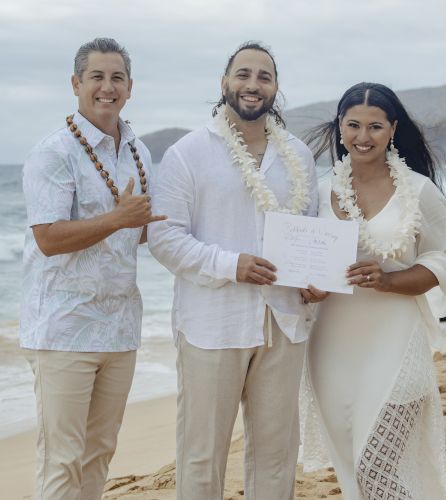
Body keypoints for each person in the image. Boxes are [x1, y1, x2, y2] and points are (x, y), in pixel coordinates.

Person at [148, 41, 319, 499]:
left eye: (264, 76)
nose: (253, 84)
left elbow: (313, 232)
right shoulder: (187, 154)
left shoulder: (298, 157)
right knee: (202, 455)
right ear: (224, 83)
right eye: (243, 74)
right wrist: (231, 264)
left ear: (276, 88)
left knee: (278, 452)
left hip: (283, 321)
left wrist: (317, 279)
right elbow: (164, 240)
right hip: (212, 324)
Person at [299, 82, 446, 499]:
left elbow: (445, 261)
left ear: (392, 129)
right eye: (353, 125)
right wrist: (309, 289)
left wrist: (389, 280)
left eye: (374, 126)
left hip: (395, 339)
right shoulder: (319, 194)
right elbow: (304, 262)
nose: (363, 136)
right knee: (353, 468)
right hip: (332, 345)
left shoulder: (419, 191)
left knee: (378, 464)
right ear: (340, 128)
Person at [20, 38, 165, 500]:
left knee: (100, 452)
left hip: (120, 328)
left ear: (130, 87)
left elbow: (139, 230)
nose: (107, 87)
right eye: (97, 77)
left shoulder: (138, 151)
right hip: (64, 330)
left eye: (117, 77)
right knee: (61, 460)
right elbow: (47, 238)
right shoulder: (54, 152)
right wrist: (117, 219)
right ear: (76, 83)